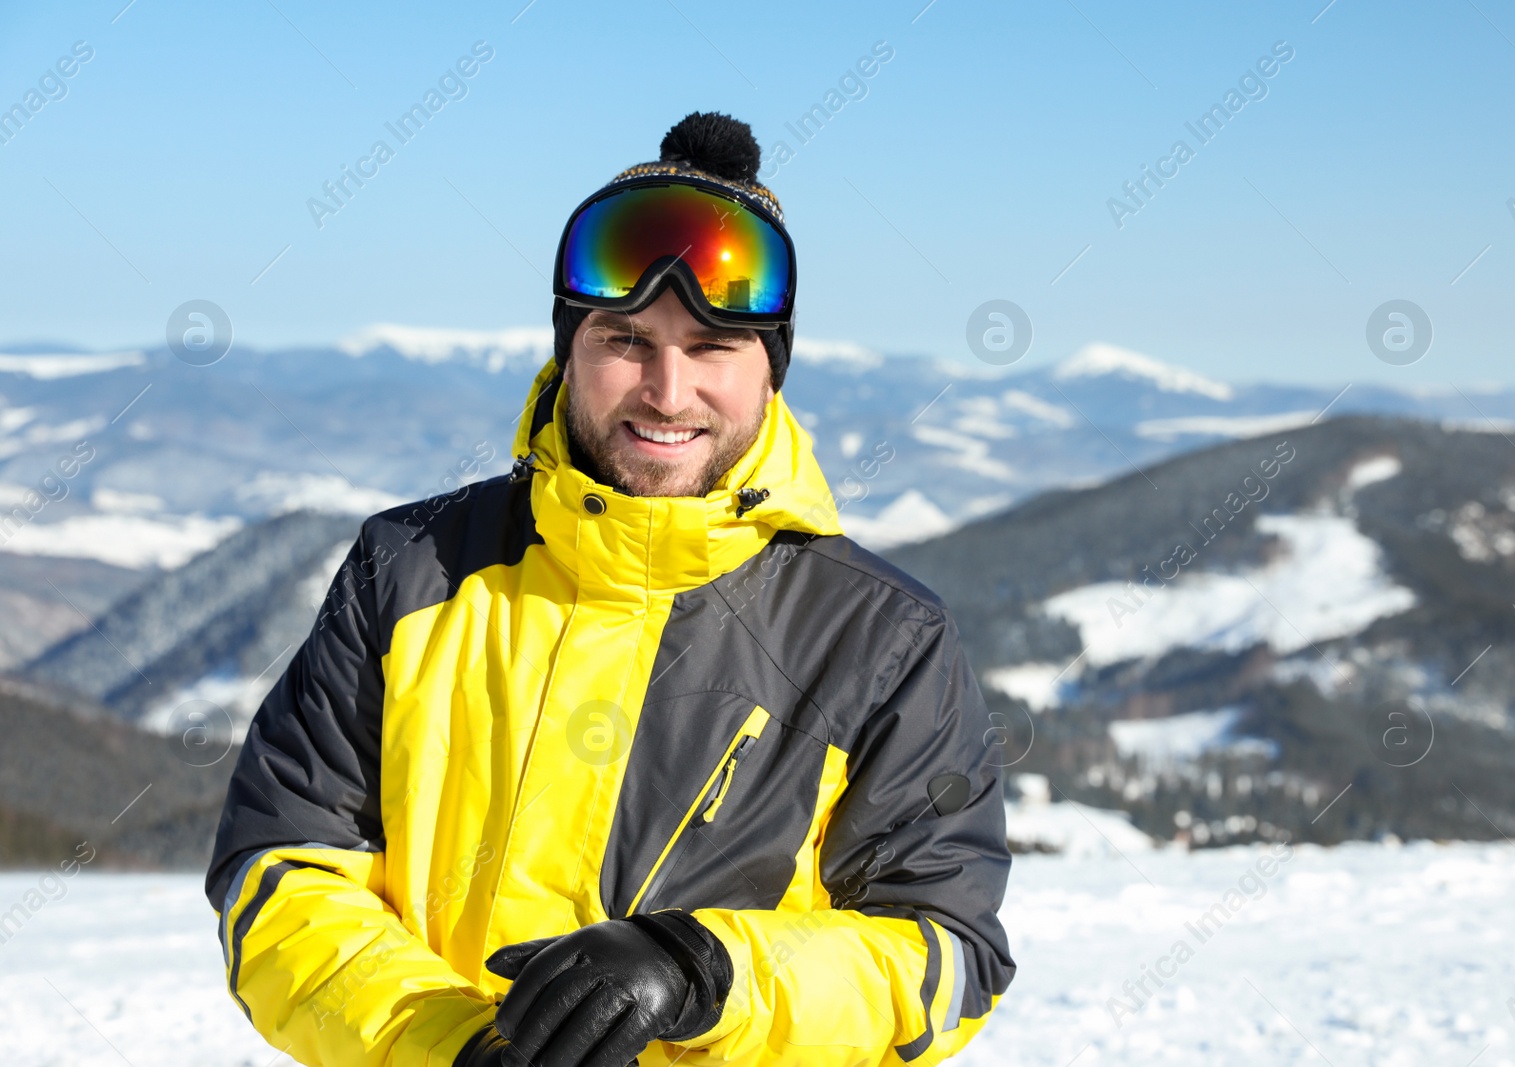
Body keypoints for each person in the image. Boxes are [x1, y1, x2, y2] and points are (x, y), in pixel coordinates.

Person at [206, 111, 1014, 1067]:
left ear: (772, 369)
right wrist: (450, 1045)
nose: (667, 392)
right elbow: (280, 873)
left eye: (713, 347)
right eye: (626, 339)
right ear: (569, 348)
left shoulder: (882, 639)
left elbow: (944, 959)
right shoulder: (411, 567)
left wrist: (707, 970)